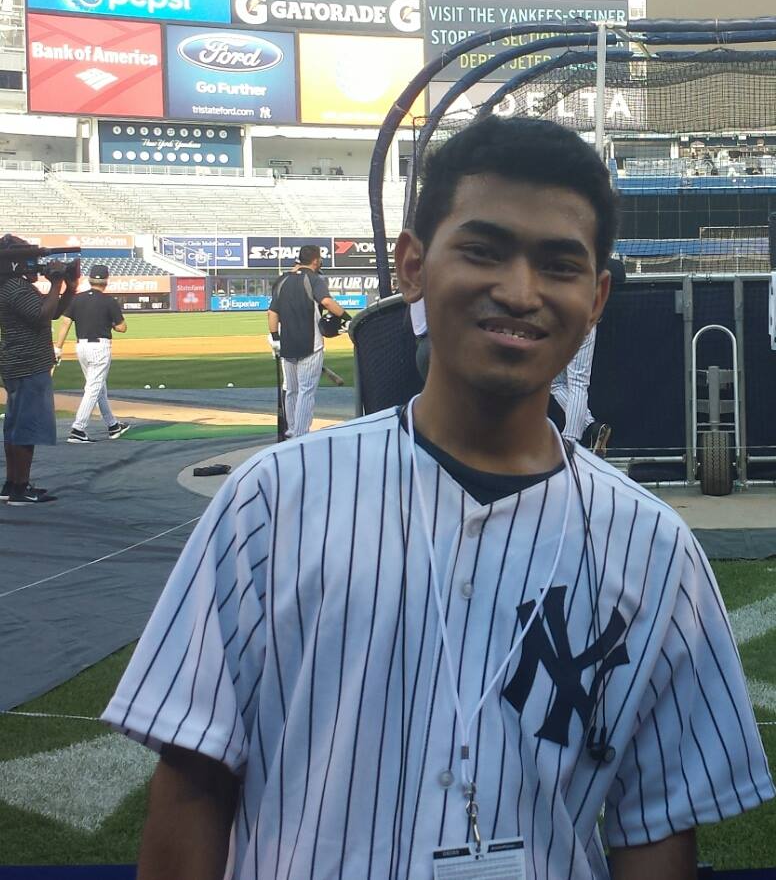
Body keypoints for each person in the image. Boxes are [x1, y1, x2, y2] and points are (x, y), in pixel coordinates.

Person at [103, 117, 773, 880]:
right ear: (414, 267)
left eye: (559, 265)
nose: (520, 292)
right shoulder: (275, 499)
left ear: (597, 298)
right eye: (483, 251)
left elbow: (654, 833)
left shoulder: (655, 549)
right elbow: (192, 788)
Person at [0, 234, 77, 505]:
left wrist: (70, 286)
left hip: (20, 363)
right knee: (26, 428)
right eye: (27, 259)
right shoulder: (14, 287)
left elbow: (52, 311)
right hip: (28, 364)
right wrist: (56, 281)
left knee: (16, 426)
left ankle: (12, 485)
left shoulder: (11, 285)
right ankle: (20, 487)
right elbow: (42, 315)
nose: (33, 264)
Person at [265, 245, 348, 438]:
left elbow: (272, 312)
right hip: (311, 345)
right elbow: (327, 302)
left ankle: (292, 429)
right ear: (315, 260)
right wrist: (347, 317)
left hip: (287, 345)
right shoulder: (314, 279)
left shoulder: (282, 280)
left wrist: (275, 337)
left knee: (292, 390)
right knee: (306, 391)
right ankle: (300, 434)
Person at [549, 256, 625, 455]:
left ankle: (576, 436)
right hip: (576, 319)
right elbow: (619, 272)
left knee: (562, 383)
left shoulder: (581, 253)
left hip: (560, 321)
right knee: (570, 382)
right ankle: (580, 433)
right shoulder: (574, 255)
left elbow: (618, 272)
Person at [54, 263, 129, 443]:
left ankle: (113, 425)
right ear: (106, 281)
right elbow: (122, 327)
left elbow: (65, 323)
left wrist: (58, 347)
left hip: (82, 348)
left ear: (90, 280)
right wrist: (108, 322)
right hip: (99, 348)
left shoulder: (77, 299)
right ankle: (78, 429)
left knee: (98, 386)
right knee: (93, 388)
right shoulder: (109, 301)